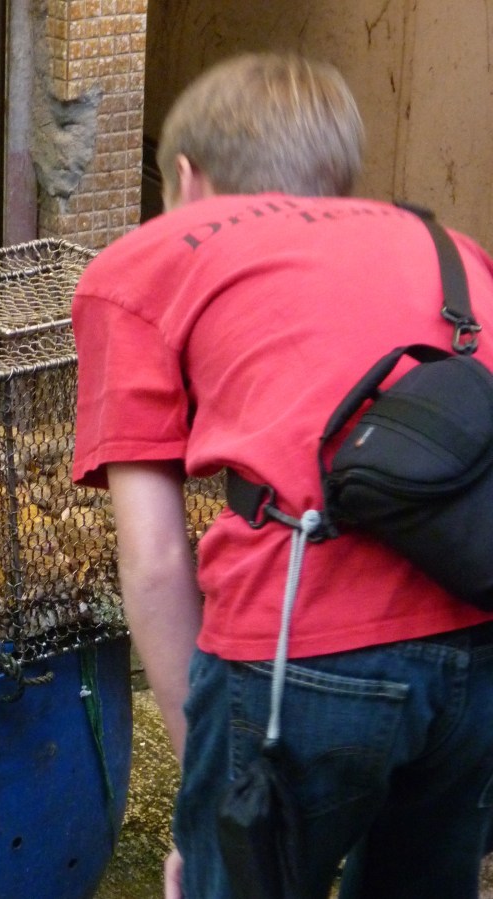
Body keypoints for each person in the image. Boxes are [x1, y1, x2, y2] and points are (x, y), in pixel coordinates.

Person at [71, 52, 493, 899]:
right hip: (479, 648)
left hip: (301, 650)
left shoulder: (145, 262)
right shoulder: (456, 253)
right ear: (338, 178)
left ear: (186, 178)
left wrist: (207, 790)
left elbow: (153, 557)